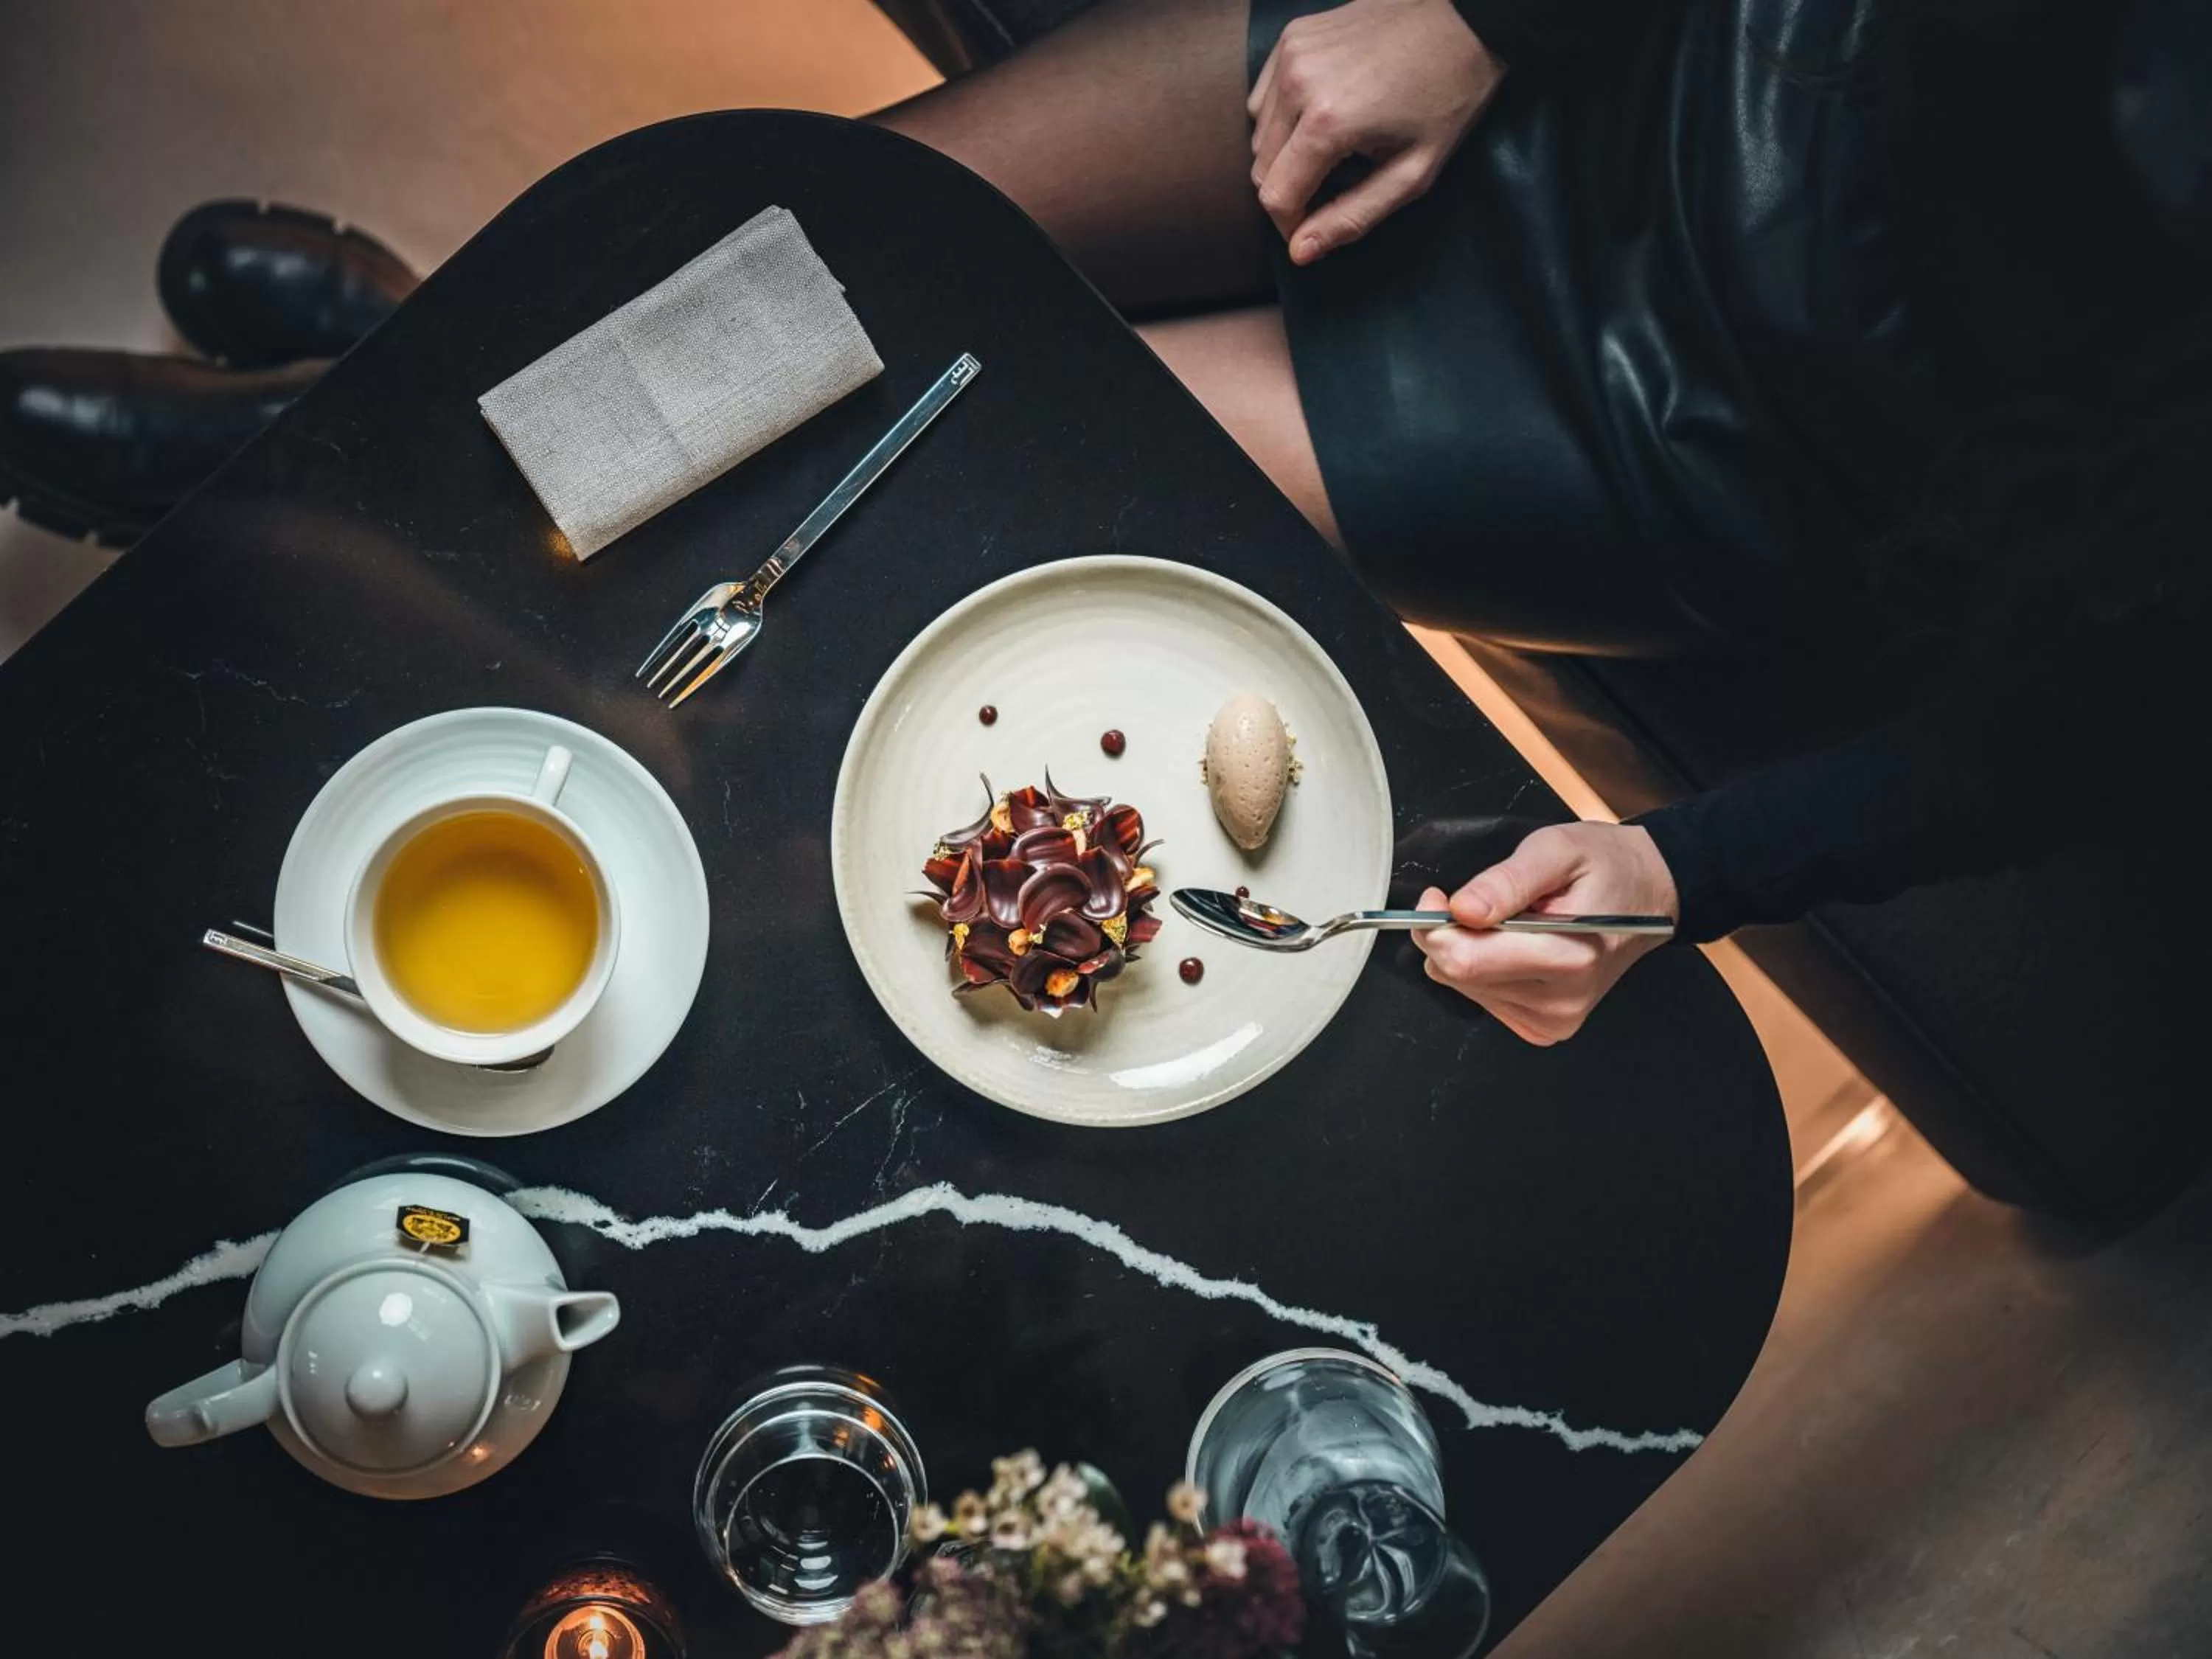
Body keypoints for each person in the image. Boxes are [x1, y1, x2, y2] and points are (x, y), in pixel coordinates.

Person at [874, 0, 2211, 1044]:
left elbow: (2123, 713)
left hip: (1702, 449)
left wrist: (1678, 870)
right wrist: (1480, 20)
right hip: (1673, 56)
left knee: (987, 472)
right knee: (822, 242)